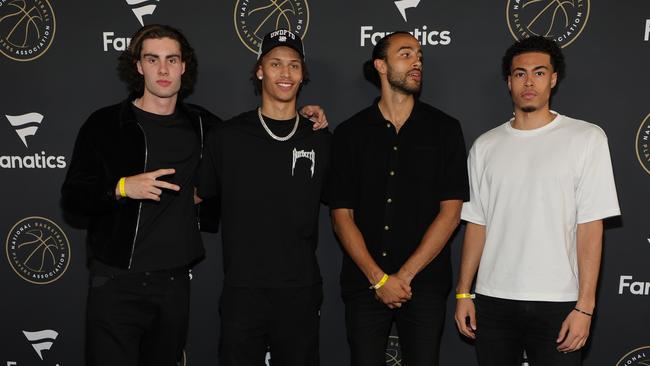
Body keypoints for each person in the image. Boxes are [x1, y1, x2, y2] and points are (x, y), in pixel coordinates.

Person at [61, 24, 326, 366]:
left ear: (184, 66)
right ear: (138, 66)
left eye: (172, 59)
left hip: (173, 282)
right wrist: (124, 187)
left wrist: (305, 115)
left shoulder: (206, 128)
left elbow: (259, 133)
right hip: (115, 279)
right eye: (152, 59)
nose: (163, 69)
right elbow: (73, 198)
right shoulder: (105, 124)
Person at [454, 36, 620, 366]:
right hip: (493, 300)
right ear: (509, 81)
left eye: (539, 72)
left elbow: (590, 228)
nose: (529, 81)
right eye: (520, 73)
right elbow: (476, 224)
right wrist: (463, 292)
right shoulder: (485, 146)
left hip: (559, 302)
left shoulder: (586, 138)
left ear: (554, 78)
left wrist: (585, 307)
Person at [329, 31, 469, 366]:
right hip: (364, 286)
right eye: (406, 54)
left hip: (425, 286)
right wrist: (378, 279)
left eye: (420, 55)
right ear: (380, 65)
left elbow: (451, 213)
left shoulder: (445, 129)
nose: (417, 61)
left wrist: (403, 278)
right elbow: (341, 215)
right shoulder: (350, 133)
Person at [197, 29, 331, 366]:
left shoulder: (321, 138)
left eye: (294, 65)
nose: (285, 74)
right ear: (260, 70)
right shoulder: (226, 137)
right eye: (275, 64)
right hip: (244, 289)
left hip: (300, 288)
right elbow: (197, 197)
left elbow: (342, 205)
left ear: (303, 75)